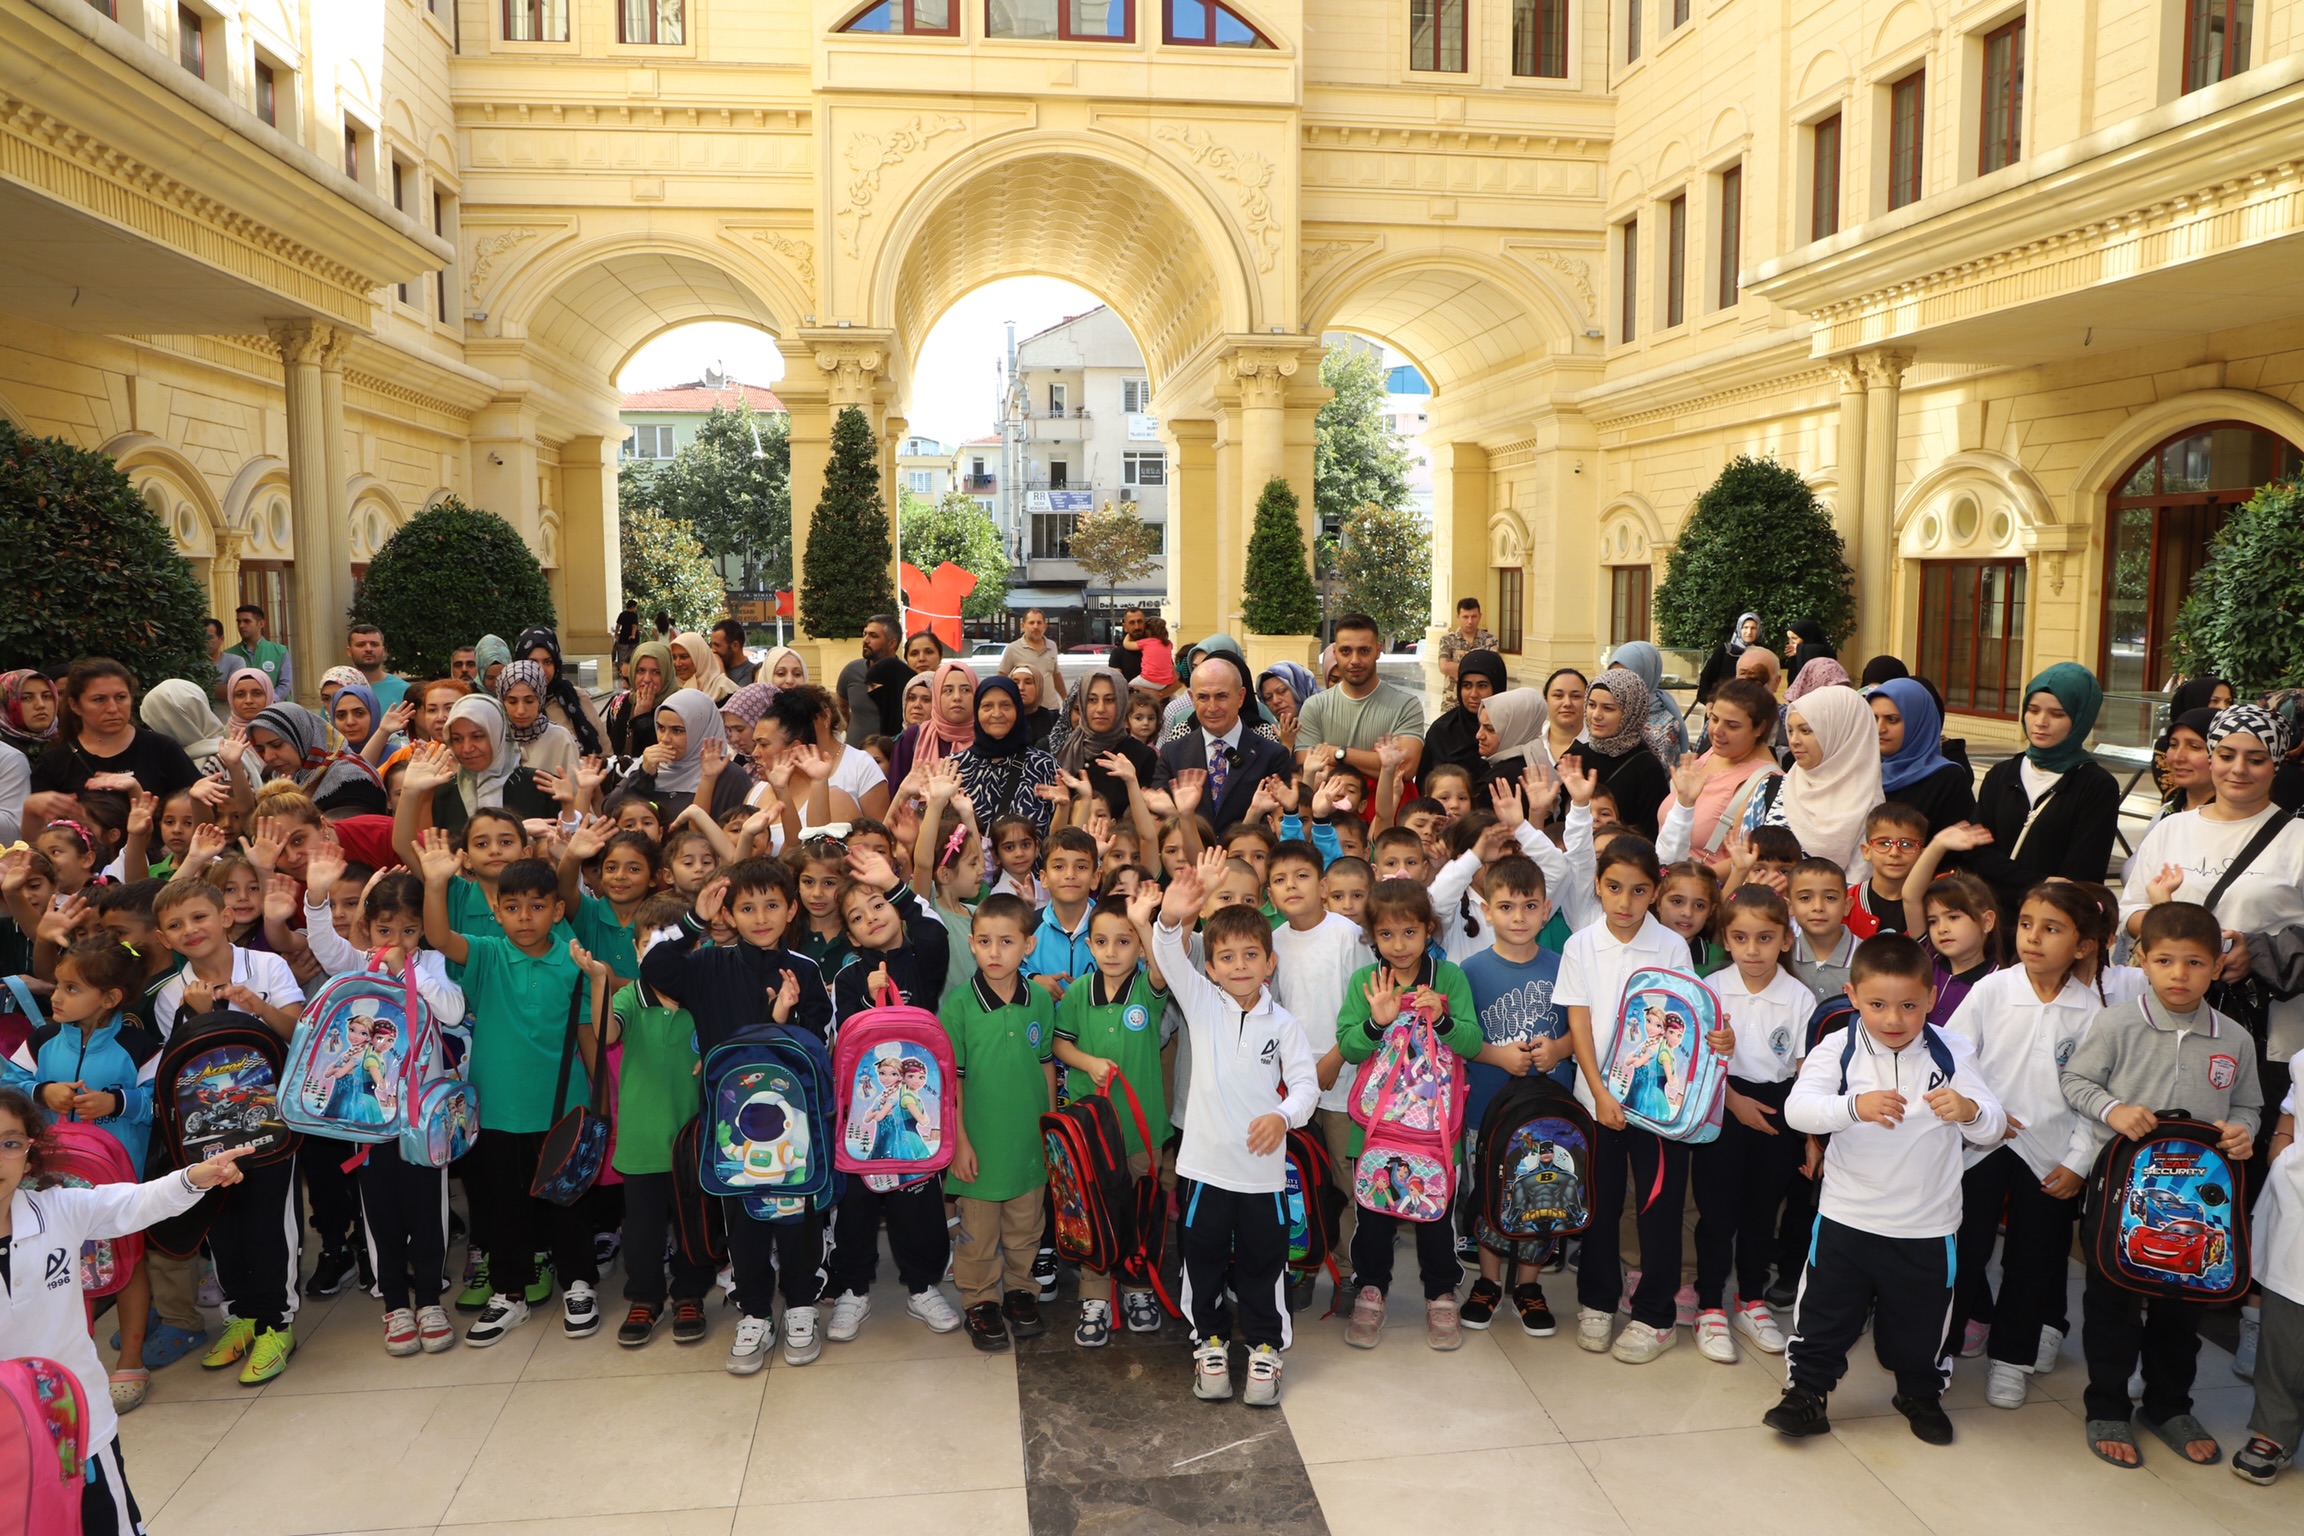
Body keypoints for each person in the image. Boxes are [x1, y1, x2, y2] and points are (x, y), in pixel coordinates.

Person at [1766, 934, 2005, 1445]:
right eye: (1877, 1004)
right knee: (1824, 1317)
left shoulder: (1952, 1049)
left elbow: (1993, 1125)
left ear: (1931, 999)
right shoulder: (1839, 1046)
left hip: (1927, 1225)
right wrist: (1854, 1106)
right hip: (1846, 1219)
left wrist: (1970, 1110)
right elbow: (1797, 1109)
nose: (1893, 1019)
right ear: (1852, 996)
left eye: (1908, 1006)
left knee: (1919, 1327)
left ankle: (1919, 1392)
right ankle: (1806, 1394)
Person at [2061, 900, 2262, 1469]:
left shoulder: (2235, 1039)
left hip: (2199, 1203)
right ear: (2141, 959)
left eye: (2195, 963)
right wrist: (2113, 1109)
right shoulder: (2118, 1023)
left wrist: (2243, 1132)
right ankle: (2106, 1405)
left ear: (2218, 964)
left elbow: (2250, 1103)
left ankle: (2169, 1405)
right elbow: (2075, 1079)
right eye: (2166, 961)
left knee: (2183, 1307)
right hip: (2122, 1194)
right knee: (2113, 1303)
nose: (2180, 975)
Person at [0, 1084, 252, 1536]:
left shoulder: (58, 1209)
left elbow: (135, 1202)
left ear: (30, 1150)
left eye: (10, 1143)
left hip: (79, 1428)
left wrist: (196, 1176)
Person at [640, 857, 834, 1372]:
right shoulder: (707, 964)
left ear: (792, 909)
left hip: (794, 1126)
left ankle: (798, 1306)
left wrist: (784, 1022)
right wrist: (691, 924)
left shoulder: (806, 969)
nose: (761, 916)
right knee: (742, 1220)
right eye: (746, 907)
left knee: (797, 1217)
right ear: (728, 912)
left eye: (772, 904)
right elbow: (655, 968)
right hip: (730, 1131)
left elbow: (817, 1046)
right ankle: (753, 1311)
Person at [415, 831, 602, 1346]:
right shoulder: (488, 955)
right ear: (495, 911)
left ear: (558, 910)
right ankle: (509, 1294)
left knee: (568, 1202)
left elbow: (587, 1031)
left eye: (537, 906)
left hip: (563, 1107)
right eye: (512, 907)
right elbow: (438, 937)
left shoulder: (574, 960)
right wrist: (435, 884)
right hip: (497, 1109)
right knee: (502, 1208)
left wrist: (602, 1103)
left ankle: (579, 1283)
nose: (524, 917)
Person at [1153, 850, 1318, 1405]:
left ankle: (1266, 1349)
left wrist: (1282, 1115)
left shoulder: (1286, 1026)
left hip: (1262, 1178)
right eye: (1227, 957)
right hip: (1202, 1169)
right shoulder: (1200, 1004)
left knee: (1264, 1263)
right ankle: (1210, 1342)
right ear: (1211, 966)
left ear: (1270, 963)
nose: (1240, 965)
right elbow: (1167, 955)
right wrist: (1172, 917)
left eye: (1252, 955)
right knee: (1199, 1258)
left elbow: (1305, 1089)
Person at [1938, 882, 2100, 1410]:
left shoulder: (2094, 1014)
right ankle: (1936, 1347)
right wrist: (1985, 1114)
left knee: (2034, 1260)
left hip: (2051, 1155)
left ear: (2082, 945)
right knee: (1963, 1251)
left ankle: (2011, 1360)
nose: (2033, 937)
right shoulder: (1992, 989)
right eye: (2027, 923)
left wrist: (2078, 1163)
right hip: (1981, 1143)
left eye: (2051, 929)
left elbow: (2102, 1099)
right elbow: (1954, 1058)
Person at [1560, 831, 1720, 1363]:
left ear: (1655, 892)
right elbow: (1578, 1024)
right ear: (1599, 888)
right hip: (1597, 1102)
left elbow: (1678, 1020)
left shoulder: (1671, 946)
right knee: (1600, 1207)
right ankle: (1598, 1301)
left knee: (1658, 1208)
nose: (1624, 902)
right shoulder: (1580, 944)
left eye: (1638, 890)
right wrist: (1601, 1093)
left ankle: (1655, 1315)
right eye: (1613, 888)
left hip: (1657, 1110)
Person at [1334, 880, 1489, 1350]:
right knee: (1374, 1215)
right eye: (1385, 935)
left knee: (1435, 1215)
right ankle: (1371, 1290)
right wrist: (1376, 1021)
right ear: (1371, 938)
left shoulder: (1451, 978)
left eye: (1409, 933)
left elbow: (1472, 1043)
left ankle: (1441, 1294)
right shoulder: (1367, 983)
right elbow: (1347, 1045)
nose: (1398, 946)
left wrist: (1441, 1018)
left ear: (1428, 930)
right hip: (1378, 1127)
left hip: (1435, 1130)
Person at [1689, 884, 1814, 1362]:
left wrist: (1808, 1136)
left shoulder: (1800, 998)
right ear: (1726, 939)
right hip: (1721, 1102)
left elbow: (1805, 1073)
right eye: (1740, 938)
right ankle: (1708, 1306)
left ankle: (1751, 1300)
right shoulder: (1712, 990)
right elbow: (1693, 1064)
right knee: (1717, 1212)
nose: (1752, 950)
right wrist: (1733, 1101)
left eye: (1765, 938)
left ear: (1786, 940)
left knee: (1763, 1211)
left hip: (1779, 1107)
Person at [1050, 886, 1173, 1345]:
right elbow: (1060, 1044)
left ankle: (1138, 1287)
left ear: (1140, 947)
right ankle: (1095, 1294)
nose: (1112, 951)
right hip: (1091, 1133)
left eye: (1124, 941)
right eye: (1101, 942)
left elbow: (1161, 971)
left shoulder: (1149, 987)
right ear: (1088, 945)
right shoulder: (1078, 992)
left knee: (1140, 1207)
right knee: (1093, 1209)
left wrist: (1145, 923)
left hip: (1143, 1132)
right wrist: (1088, 1063)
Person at [937, 891, 1057, 1352]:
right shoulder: (959, 1006)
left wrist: (1049, 1130)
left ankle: (1021, 1293)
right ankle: (980, 1300)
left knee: (1026, 1227)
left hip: (1027, 1141)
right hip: (979, 1146)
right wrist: (961, 1142)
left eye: (1006, 942)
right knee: (978, 1232)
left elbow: (1046, 1063)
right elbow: (954, 1083)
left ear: (1028, 945)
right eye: (984, 941)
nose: (994, 952)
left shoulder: (1040, 1003)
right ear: (970, 944)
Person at [1965, 663, 2121, 917]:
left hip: (2054, 922)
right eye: (2032, 710)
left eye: (2057, 714)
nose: (2040, 722)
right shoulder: (2001, 774)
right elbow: (1976, 853)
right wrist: (2042, 881)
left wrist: (2010, 879)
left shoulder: (2096, 786)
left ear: (2081, 718)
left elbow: (2081, 876)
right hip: (1993, 921)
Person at [23, 661, 201, 829]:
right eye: (99, 700)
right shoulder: (54, 761)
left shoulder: (162, 748)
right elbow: (38, 841)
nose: (113, 708)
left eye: (121, 697)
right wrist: (30, 809)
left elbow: (197, 813)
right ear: (75, 705)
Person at [1155, 655, 1293, 835]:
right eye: (1203, 697)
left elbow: (1278, 823)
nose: (1212, 707)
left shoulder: (1272, 755)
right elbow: (1162, 820)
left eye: (1221, 696)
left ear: (1240, 697)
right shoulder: (1172, 753)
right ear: (1191, 698)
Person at [1655, 678, 1783, 864]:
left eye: (1732, 726)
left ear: (1759, 728)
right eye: (1714, 719)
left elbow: (1749, 860)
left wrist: (1689, 878)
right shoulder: (1713, 752)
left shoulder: (1767, 782)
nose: (1717, 731)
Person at [1295, 613, 1425, 788]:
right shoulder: (1314, 706)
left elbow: (1405, 769)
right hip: (1328, 813)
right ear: (1335, 653)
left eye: (1364, 651)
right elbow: (1309, 767)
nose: (1354, 660)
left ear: (1378, 651)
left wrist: (1338, 753)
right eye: (1346, 651)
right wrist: (1381, 765)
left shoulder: (1406, 705)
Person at [1766, 685, 1883, 875]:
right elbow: (1741, 866)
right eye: (1790, 730)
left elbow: (1859, 886)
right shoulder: (1770, 789)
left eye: (1805, 731)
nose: (1793, 740)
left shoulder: (1872, 809)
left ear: (1840, 733)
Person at [1563, 667, 1670, 842]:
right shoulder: (1574, 757)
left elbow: (1650, 835)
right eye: (1591, 705)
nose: (1596, 715)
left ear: (1630, 712)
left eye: (1608, 708)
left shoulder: (1647, 768)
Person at [950, 676, 1060, 839]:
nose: (997, 713)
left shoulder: (1043, 765)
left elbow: (1057, 836)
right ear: (976, 712)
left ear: (1018, 709)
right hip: (973, 865)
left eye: (1006, 705)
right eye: (987, 706)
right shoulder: (956, 767)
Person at [626, 691, 758, 823]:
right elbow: (614, 810)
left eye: (677, 730)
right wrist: (644, 775)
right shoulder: (650, 763)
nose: (665, 739)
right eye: (661, 728)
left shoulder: (730, 777)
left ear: (701, 731)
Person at [1868, 677, 1975, 839]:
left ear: (1917, 723)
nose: (1880, 728)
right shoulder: (1864, 769)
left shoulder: (1947, 778)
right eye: (1874, 718)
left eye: (1892, 720)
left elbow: (1959, 852)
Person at [246, 702, 387, 819]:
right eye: (261, 749)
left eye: (277, 745)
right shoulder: (288, 776)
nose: (268, 757)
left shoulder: (351, 778)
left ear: (303, 736)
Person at [514, 628, 607, 758]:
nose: (541, 669)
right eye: (532, 662)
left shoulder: (575, 696)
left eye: (548, 662)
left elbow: (605, 752)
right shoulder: (509, 705)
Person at [889, 659, 978, 786]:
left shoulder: (987, 739)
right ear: (937, 696)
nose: (957, 697)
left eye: (966, 690)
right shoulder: (914, 737)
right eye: (948, 690)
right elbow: (896, 795)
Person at [1423, 650, 1503, 780]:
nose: (1473, 694)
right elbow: (1424, 787)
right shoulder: (1441, 731)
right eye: (1467, 685)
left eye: (1482, 686)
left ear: (1497, 686)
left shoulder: (1511, 732)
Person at [1611, 640, 1690, 767]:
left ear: (1646, 675)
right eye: (1613, 676)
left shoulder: (1666, 724)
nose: (1618, 683)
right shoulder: (1605, 710)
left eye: (1627, 676)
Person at [607, 639, 680, 758]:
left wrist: (643, 718)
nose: (646, 679)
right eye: (640, 671)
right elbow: (617, 748)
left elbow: (668, 752)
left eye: (656, 672)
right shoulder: (628, 701)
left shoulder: (677, 705)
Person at [835, 613, 898, 745]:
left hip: (892, 756)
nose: (865, 640)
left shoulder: (905, 676)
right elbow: (841, 708)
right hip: (854, 754)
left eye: (873, 636)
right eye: (865, 634)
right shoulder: (851, 671)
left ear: (892, 643)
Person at [1434, 597, 1497, 713]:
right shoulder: (1447, 639)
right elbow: (1444, 667)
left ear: (1480, 616)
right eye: (1465, 617)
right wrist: (1476, 669)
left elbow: (1491, 669)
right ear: (1458, 616)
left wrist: (1458, 670)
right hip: (1452, 703)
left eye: (1474, 616)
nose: (1470, 621)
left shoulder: (1490, 640)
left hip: (1480, 704)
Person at [218, 604, 291, 699]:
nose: (241, 626)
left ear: (261, 624)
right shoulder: (229, 654)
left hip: (276, 709)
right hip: (244, 709)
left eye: (247, 621)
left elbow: (285, 683)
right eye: (239, 621)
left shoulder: (279, 651)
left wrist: (270, 701)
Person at [1000, 608, 1067, 705]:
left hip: (1051, 708)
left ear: (1045, 626)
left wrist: (1065, 698)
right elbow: (1002, 676)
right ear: (1023, 626)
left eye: (1039, 623)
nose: (1035, 626)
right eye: (1031, 623)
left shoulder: (1052, 646)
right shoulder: (1013, 648)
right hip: (1025, 710)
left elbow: (1055, 675)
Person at [1696, 612, 1764, 704]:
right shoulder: (1725, 650)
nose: (1749, 632)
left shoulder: (1762, 653)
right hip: (1720, 704)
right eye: (1745, 627)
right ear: (1739, 628)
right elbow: (1706, 676)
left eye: (1753, 628)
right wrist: (1709, 702)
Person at [345, 624, 408, 714]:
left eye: (374, 644)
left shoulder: (404, 690)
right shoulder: (338, 690)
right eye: (361, 645)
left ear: (383, 651)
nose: (368, 649)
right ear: (349, 651)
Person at [670, 630, 735, 703]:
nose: (677, 663)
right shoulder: (671, 688)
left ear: (700, 657)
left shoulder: (723, 688)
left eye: (684, 657)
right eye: (674, 657)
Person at [1009, 664, 1061, 749]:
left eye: (1028, 682)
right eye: (1015, 682)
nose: (1021, 687)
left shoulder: (1053, 720)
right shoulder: (1003, 719)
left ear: (1038, 686)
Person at [710, 618, 757, 688]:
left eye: (717, 645)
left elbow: (735, 697)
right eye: (711, 645)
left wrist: (720, 668)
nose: (713, 650)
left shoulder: (752, 672)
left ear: (735, 646)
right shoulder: (712, 669)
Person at [1106, 606, 1148, 683]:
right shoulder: (1118, 653)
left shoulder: (1158, 647)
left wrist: (1160, 695)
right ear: (1125, 627)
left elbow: (1175, 679)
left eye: (1140, 621)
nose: (1137, 627)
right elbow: (1117, 684)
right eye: (1132, 622)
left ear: (1145, 623)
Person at [612, 598, 641, 680]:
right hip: (633, 640)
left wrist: (616, 633)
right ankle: (631, 672)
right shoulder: (634, 615)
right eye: (635, 607)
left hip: (623, 637)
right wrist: (633, 635)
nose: (635, 609)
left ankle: (622, 671)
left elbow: (618, 625)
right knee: (633, 655)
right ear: (632, 607)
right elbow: (634, 626)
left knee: (622, 655)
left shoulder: (622, 614)